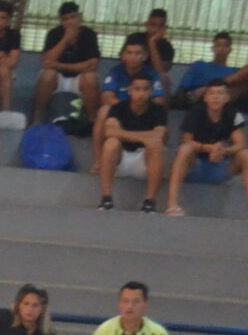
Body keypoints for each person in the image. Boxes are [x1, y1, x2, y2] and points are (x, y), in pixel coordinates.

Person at [166, 82, 248, 216]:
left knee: (246, 155)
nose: (216, 97)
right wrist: (209, 148)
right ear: (205, 97)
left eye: (220, 93)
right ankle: (171, 205)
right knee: (185, 149)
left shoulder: (233, 114)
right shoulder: (196, 112)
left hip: (221, 166)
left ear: (227, 97)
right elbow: (186, 141)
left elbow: (240, 144)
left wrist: (223, 151)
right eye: (212, 93)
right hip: (195, 166)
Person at [96, 74, 167, 213]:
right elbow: (110, 131)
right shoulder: (118, 108)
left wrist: (123, 133)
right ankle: (106, 199)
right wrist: (144, 137)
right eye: (137, 89)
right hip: (119, 160)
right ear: (129, 91)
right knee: (111, 143)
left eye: (145, 89)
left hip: (143, 162)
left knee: (157, 146)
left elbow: (158, 135)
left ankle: (149, 202)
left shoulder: (158, 110)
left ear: (151, 92)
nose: (141, 93)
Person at [32, 1, 101, 127]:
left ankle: (92, 121)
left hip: (79, 79)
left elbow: (92, 65)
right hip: (58, 79)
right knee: (47, 75)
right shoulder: (54, 34)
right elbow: (47, 62)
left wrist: (59, 66)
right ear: (61, 21)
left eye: (72, 17)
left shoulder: (89, 35)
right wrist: (65, 39)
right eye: (65, 19)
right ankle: (38, 117)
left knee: (91, 78)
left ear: (79, 17)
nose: (69, 22)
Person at [94, 36, 161, 152]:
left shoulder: (152, 74)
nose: (133, 57)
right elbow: (106, 97)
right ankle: (97, 162)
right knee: (103, 111)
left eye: (137, 53)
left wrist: (140, 108)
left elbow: (159, 101)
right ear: (123, 55)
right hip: (121, 113)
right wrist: (127, 110)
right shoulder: (115, 72)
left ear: (145, 56)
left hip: (144, 114)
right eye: (129, 53)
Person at [171, 33, 234, 111]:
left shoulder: (233, 73)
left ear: (230, 50)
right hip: (194, 103)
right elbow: (183, 88)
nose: (222, 49)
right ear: (213, 48)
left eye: (226, 46)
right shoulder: (199, 66)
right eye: (218, 45)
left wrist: (205, 90)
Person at [128, 8, 174, 92]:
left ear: (165, 28)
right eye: (153, 25)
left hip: (152, 78)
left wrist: (152, 43)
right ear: (147, 25)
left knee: (165, 79)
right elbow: (124, 60)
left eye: (160, 26)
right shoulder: (134, 38)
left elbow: (160, 71)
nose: (156, 29)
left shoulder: (167, 47)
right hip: (130, 73)